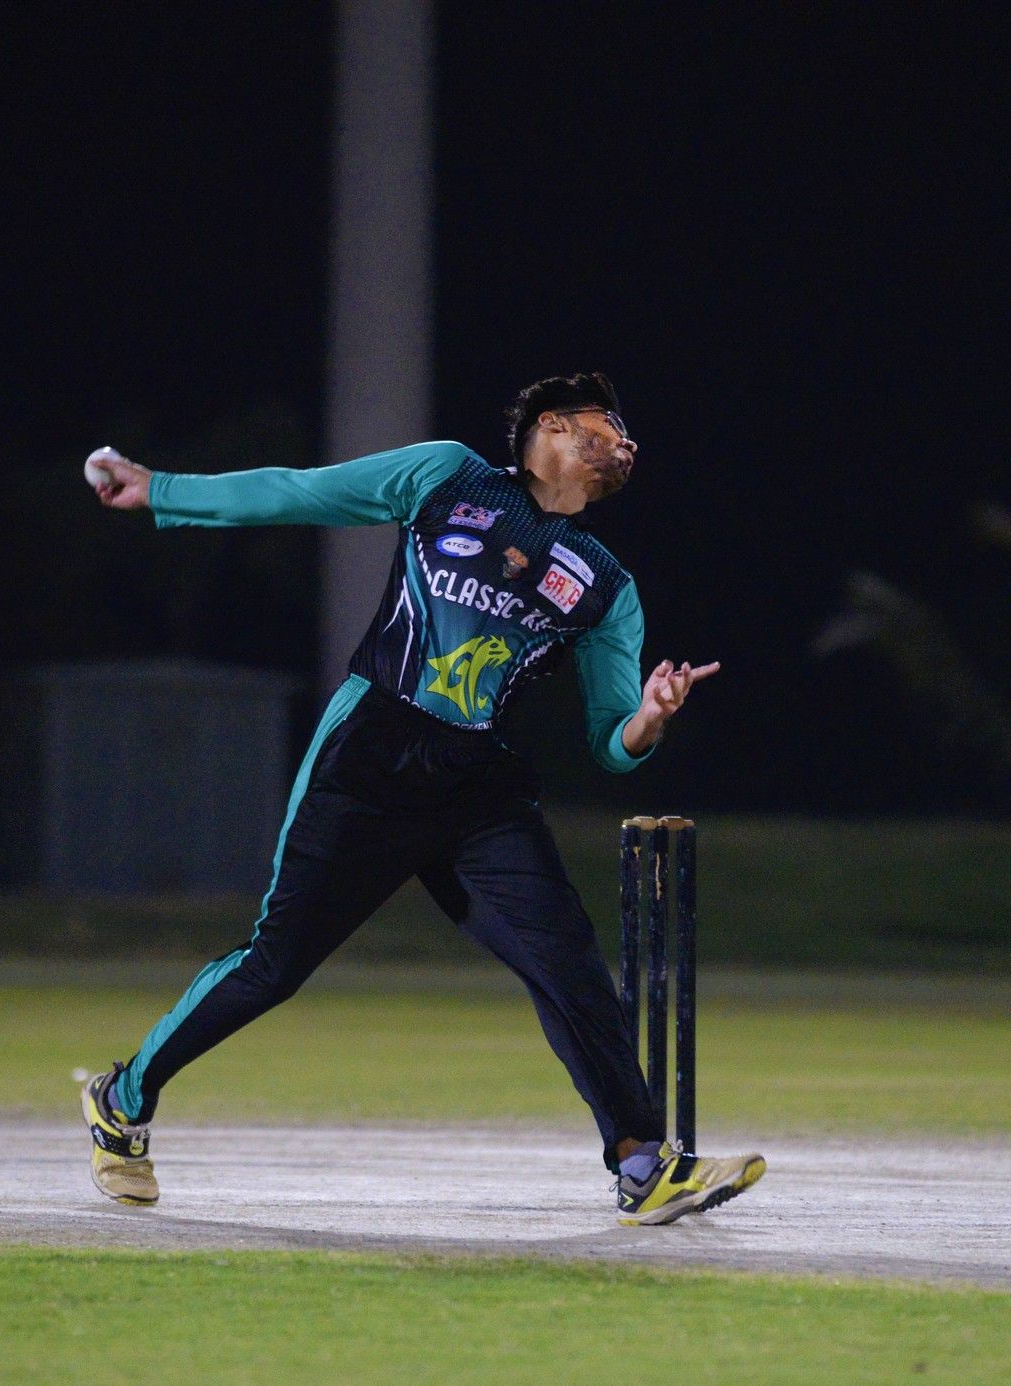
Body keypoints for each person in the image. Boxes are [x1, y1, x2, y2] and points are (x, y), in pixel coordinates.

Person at [81, 372, 766, 1226]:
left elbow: (610, 742)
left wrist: (650, 718)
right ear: (553, 425)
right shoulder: (448, 475)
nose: (626, 443)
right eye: (608, 424)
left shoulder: (604, 583)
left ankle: (640, 1164)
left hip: (477, 784)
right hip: (372, 750)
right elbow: (301, 492)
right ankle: (123, 1097)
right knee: (274, 965)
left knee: (566, 963)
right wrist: (161, 491)